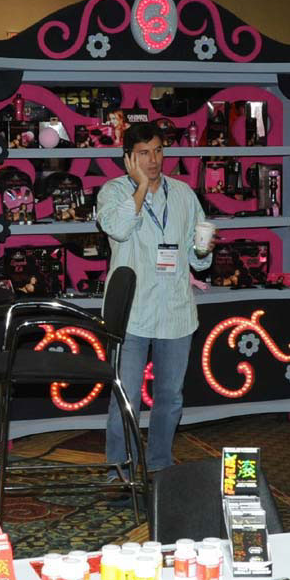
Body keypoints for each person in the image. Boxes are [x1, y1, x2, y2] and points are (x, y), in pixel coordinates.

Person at [97, 121, 214, 478]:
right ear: (128, 158)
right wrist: (142, 188)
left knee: (170, 398)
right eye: (144, 153)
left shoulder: (182, 194)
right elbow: (116, 228)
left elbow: (199, 259)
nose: (153, 160)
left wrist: (202, 248)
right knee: (126, 399)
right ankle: (121, 471)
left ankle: (161, 465)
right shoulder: (113, 192)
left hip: (176, 310)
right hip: (131, 313)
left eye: (158, 151)